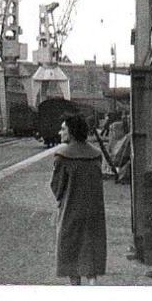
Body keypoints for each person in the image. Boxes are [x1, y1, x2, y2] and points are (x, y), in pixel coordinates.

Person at [50, 113, 106, 284]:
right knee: (91, 250)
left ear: (72, 132)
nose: (60, 133)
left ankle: (76, 290)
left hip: (71, 211)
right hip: (94, 211)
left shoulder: (62, 156)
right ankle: (93, 285)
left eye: (63, 129)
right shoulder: (96, 154)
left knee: (71, 251)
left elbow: (57, 188)